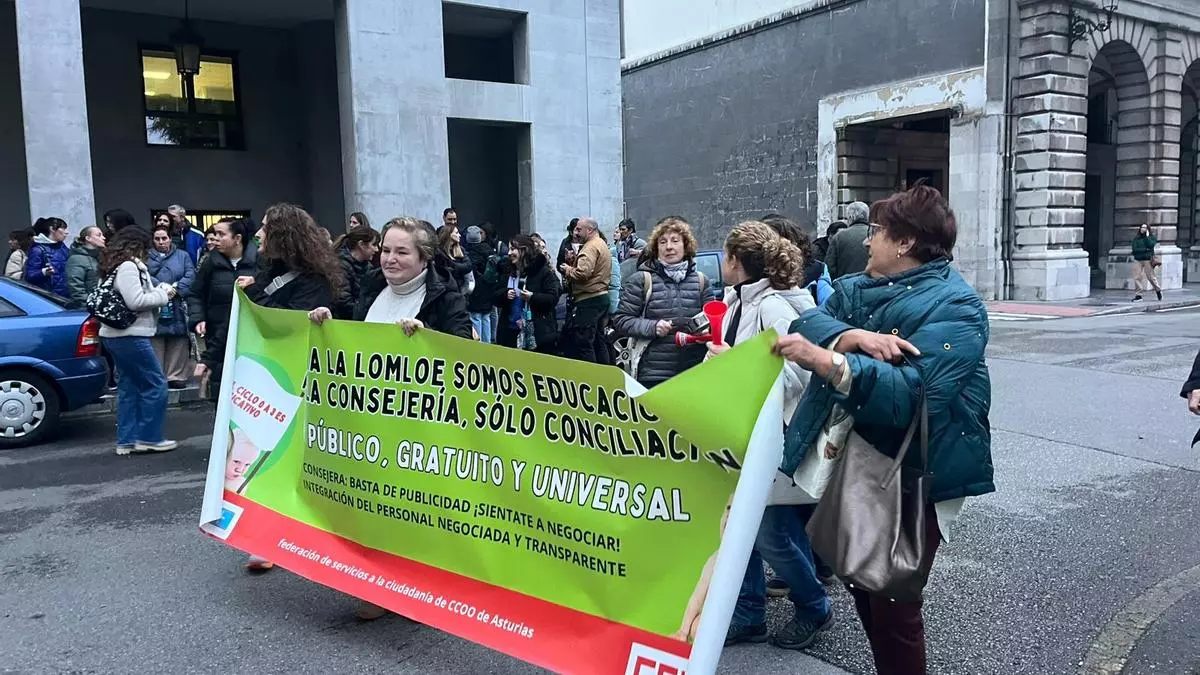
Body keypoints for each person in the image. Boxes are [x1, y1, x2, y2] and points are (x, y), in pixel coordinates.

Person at [774, 185, 993, 674]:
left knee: (893, 597)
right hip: (855, 456)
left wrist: (834, 363)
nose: (867, 241)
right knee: (859, 576)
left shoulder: (958, 307)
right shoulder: (856, 286)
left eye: (877, 232)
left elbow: (914, 396)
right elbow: (810, 316)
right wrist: (848, 337)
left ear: (905, 243)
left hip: (916, 467)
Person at [309, 216, 469, 618]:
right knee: (374, 506)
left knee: (410, 510)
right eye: (386, 250)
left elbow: (465, 353)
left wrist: (429, 337)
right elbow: (354, 335)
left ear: (424, 257)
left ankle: (411, 586)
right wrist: (327, 322)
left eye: (402, 252)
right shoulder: (372, 287)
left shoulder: (445, 298)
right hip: (369, 422)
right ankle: (379, 584)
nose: (390, 259)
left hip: (419, 429)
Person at [704, 220, 830, 649]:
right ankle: (749, 613)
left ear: (737, 262)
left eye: (725, 255)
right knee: (739, 527)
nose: (722, 263)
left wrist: (736, 364)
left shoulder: (775, 307)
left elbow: (799, 374)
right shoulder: (735, 299)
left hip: (770, 437)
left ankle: (814, 605)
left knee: (771, 534)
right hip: (742, 428)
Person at [235, 203, 341, 573]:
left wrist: (254, 297)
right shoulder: (269, 270)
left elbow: (287, 327)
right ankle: (266, 535)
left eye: (266, 228)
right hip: (271, 378)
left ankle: (286, 537)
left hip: (300, 383)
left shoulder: (316, 282)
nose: (259, 234)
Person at [98, 227, 179, 455]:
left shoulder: (113, 266)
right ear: (138, 246)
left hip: (115, 335)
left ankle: (127, 441)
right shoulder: (128, 267)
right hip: (131, 335)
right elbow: (135, 301)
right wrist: (165, 295)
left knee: (129, 387)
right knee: (156, 384)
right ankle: (149, 437)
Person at [611, 216, 713, 388]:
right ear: (656, 248)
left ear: (686, 245)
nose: (669, 247)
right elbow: (621, 320)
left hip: (695, 370)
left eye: (675, 241)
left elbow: (714, 323)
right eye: (663, 242)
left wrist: (706, 331)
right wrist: (653, 327)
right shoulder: (642, 280)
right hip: (654, 374)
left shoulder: (702, 281)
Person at [189, 218, 259, 399]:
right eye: (214, 233)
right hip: (218, 335)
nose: (215, 238)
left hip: (253, 336)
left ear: (237, 238)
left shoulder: (259, 261)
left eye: (221, 234)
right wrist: (198, 318)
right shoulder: (210, 263)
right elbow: (195, 293)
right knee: (222, 388)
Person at [492, 234, 561, 353]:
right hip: (510, 332)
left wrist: (532, 297)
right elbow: (494, 295)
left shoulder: (543, 272)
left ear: (524, 250)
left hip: (537, 334)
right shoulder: (507, 270)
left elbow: (553, 298)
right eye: (509, 249)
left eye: (513, 249)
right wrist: (505, 294)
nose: (509, 253)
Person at [148, 223, 196, 389]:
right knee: (156, 340)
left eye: (164, 238)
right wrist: (159, 286)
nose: (161, 242)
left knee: (179, 340)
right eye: (157, 239)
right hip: (155, 301)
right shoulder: (146, 256)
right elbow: (143, 274)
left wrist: (176, 288)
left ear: (170, 239)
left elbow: (190, 274)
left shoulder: (182, 256)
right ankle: (158, 375)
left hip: (177, 301)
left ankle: (175, 375)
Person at [559, 217, 612, 364]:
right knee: (598, 341)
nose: (575, 233)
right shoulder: (601, 244)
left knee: (584, 342)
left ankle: (592, 377)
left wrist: (568, 269)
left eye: (579, 229)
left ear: (589, 230)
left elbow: (583, 273)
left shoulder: (590, 247)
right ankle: (604, 374)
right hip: (600, 298)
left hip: (589, 300)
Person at [332, 227, 381, 320]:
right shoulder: (340, 266)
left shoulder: (368, 267)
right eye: (374, 245)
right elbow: (343, 302)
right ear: (361, 245)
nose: (377, 249)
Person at [465, 225, 498, 343]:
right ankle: (488, 345)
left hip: (476, 291)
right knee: (486, 317)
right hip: (489, 289)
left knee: (476, 317)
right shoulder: (490, 251)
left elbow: (470, 274)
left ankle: (479, 347)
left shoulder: (471, 255)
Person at [25, 217, 71, 297]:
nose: (66, 232)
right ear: (52, 229)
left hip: (67, 295)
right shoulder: (38, 250)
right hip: (50, 297)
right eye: (63, 229)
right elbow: (29, 275)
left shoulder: (62, 247)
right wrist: (43, 272)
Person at [825, 201, 871, 280]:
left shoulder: (839, 237)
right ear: (867, 216)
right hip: (872, 285)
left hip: (845, 286)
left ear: (850, 217)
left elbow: (829, 267)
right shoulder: (876, 235)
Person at [65, 226, 107, 308]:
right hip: (89, 307)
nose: (103, 238)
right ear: (88, 238)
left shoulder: (100, 256)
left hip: (101, 304)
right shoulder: (76, 259)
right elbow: (76, 286)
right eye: (99, 235)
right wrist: (89, 303)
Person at [436, 224, 474, 296]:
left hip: (460, 289)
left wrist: (452, 265)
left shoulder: (460, 249)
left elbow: (468, 266)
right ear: (449, 234)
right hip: (445, 290)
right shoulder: (439, 252)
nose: (459, 235)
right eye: (456, 233)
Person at [1131, 223, 1162, 302]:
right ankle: (1138, 295)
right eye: (1142, 227)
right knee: (1137, 277)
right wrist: (1145, 250)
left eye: (1145, 228)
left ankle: (1158, 290)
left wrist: (1147, 237)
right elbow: (1134, 250)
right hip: (1138, 259)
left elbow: (1151, 245)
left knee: (1151, 277)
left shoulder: (1151, 238)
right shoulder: (1136, 238)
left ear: (1148, 229)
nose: (1143, 229)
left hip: (1147, 259)